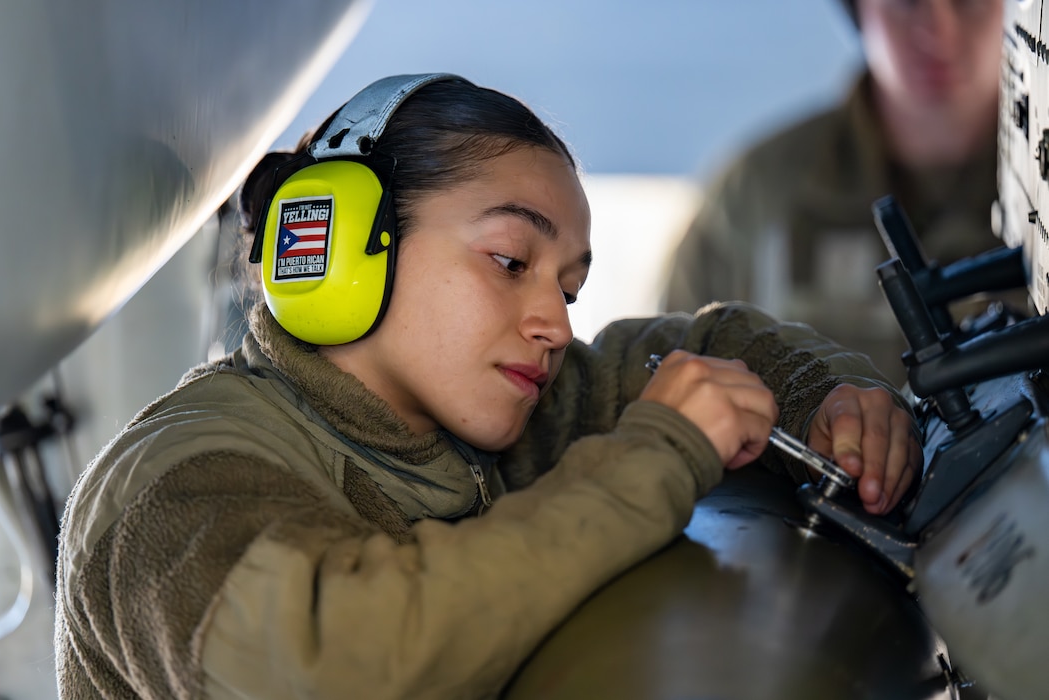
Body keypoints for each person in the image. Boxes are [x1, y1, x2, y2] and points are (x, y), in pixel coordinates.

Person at [54, 73, 920, 699]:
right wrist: (656, 456)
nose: (556, 325)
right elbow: (334, 665)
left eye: (568, 290)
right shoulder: (174, 480)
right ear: (344, 239)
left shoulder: (510, 415)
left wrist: (832, 400)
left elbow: (701, 348)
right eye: (510, 261)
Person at [662, 0, 1012, 387]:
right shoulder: (757, 195)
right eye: (906, 2)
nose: (938, 32)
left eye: (969, 1)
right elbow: (674, 382)